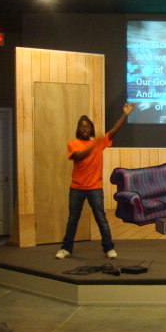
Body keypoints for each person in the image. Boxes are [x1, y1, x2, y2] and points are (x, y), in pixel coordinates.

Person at [55, 103, 134, 259]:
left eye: (88, 127)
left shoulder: (100, 142)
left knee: (101, 219)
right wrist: (94, 144)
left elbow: (115, 130)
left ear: (91, 129)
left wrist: (125, 114)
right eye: (82, 127)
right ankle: (66, 249)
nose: (85, 129)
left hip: (95, 188)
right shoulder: (73, 143)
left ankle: (109, 248)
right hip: (77, 188)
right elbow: (79, 156)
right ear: (78, 129)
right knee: (73, 219)